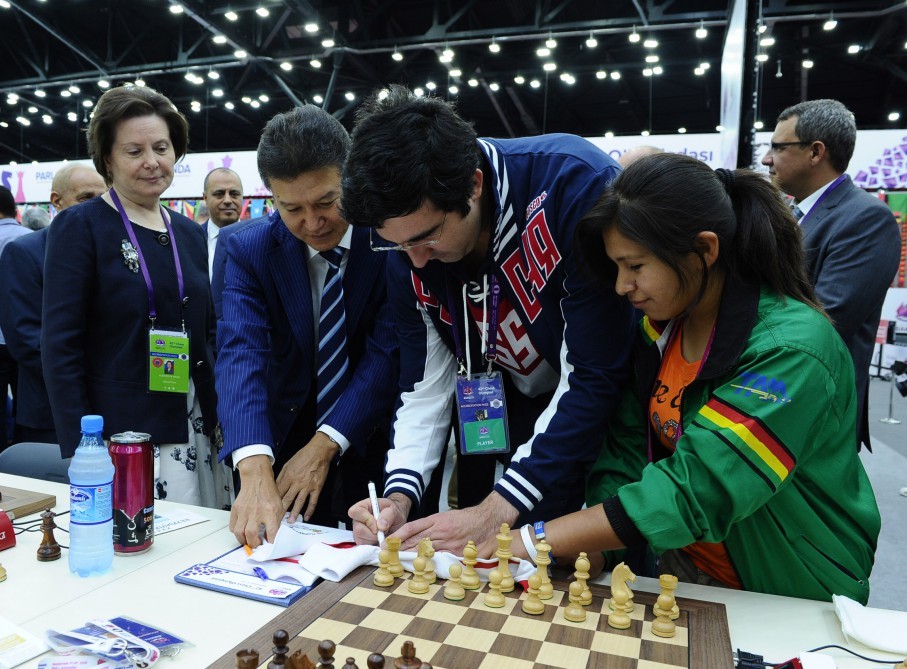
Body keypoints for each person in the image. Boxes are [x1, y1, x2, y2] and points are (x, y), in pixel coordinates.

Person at [511, 153, 880, 604]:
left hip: (787, 584)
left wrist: (534, 540)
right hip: (680, 567)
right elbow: (628, 451)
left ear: (705, 250)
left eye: (636, 266)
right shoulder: (660, 331)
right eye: (616, 268)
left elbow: (700, 487)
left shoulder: (792, 350)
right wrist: (600, 551)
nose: (621, 286)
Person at [344, 85, 635, 556]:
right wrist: (398, 495)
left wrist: (497, 508)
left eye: (428, 237)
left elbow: (595, 372)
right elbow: (424, 382)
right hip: (504, 412)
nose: (415, 262)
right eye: (395, 245)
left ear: (474, 185)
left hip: (608, 425)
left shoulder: (573, 185)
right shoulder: (405, 244)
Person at [42, 85, 231, 508]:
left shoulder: (187, 231)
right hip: (122, 431)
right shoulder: (81, 226)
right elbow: (60, 343)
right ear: (107, 159)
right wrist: (82, 446)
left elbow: (207, 326)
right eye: (134, 151)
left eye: (161, 148)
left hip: (196, 418)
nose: (152, 162)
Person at [217, 106, 396, 546]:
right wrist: (255, 465)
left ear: (350, 177)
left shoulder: (392, 237)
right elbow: (242, 353)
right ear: (270, 196)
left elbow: (387, 350)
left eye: (326, 202)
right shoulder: (246, 249)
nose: (312, 224)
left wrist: (325, 444)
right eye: (291, 208)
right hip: (280, 434)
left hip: (374, 435)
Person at [761, 99, 901, 451]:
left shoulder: (866, 217)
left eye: (778, 147)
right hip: (778, 393)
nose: (766, 159)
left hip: (816, 407)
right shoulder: (794, 214)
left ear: (815, 152)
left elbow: (829, 319)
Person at [0, 163, 106, 444]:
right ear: (57, 201)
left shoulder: (117, 251)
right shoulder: (24, 252)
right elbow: (25, 339)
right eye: (86, 198)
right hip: (51, 413)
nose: (97, 207)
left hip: (114, 409)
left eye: (103, 198)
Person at [0, 186, 31, 450]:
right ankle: (23, 456)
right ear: (15, 210)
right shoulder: (33, 239)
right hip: (27, 340)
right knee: (26, 403)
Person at [201, 168, 243, 280]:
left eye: (234, 194)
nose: (228, 200)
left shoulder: (259, 238)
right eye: (219, 194)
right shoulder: (189, 239)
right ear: (205, 198)